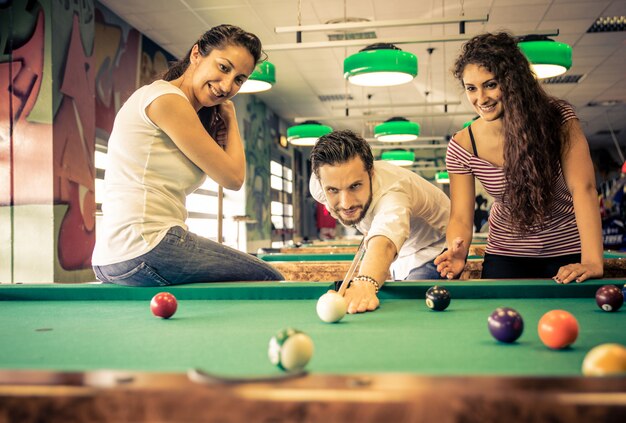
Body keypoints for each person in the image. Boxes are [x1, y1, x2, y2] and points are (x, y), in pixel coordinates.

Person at [92, 25, 284, 286]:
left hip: (115, 257)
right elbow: (234, 178)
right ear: (196, 54)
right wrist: (231, 117)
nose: (228, 85)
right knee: (269, 276)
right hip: (147, 245)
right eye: (224, 67)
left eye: (240, 79)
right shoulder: (167, 99)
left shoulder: (179, 109)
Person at [434, 32, 603, 283]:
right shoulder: (462, 146)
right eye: (471, 88)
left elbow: (584, 188)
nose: (481, 99)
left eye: (490, 84)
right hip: (506, 254)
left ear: (513, 81)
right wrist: (458, 251)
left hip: (566, 250)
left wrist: (591, 261)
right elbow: (460, 216)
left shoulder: (558, 120)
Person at [309, 130, 450, 313]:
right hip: (402, 247)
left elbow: (384, 243)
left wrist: (364, 284)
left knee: (410, 308)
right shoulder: (318, 185)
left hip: (434, 246)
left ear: (371, 173)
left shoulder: (393, 192)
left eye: (355, 186)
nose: (346, 202)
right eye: (333, 190)